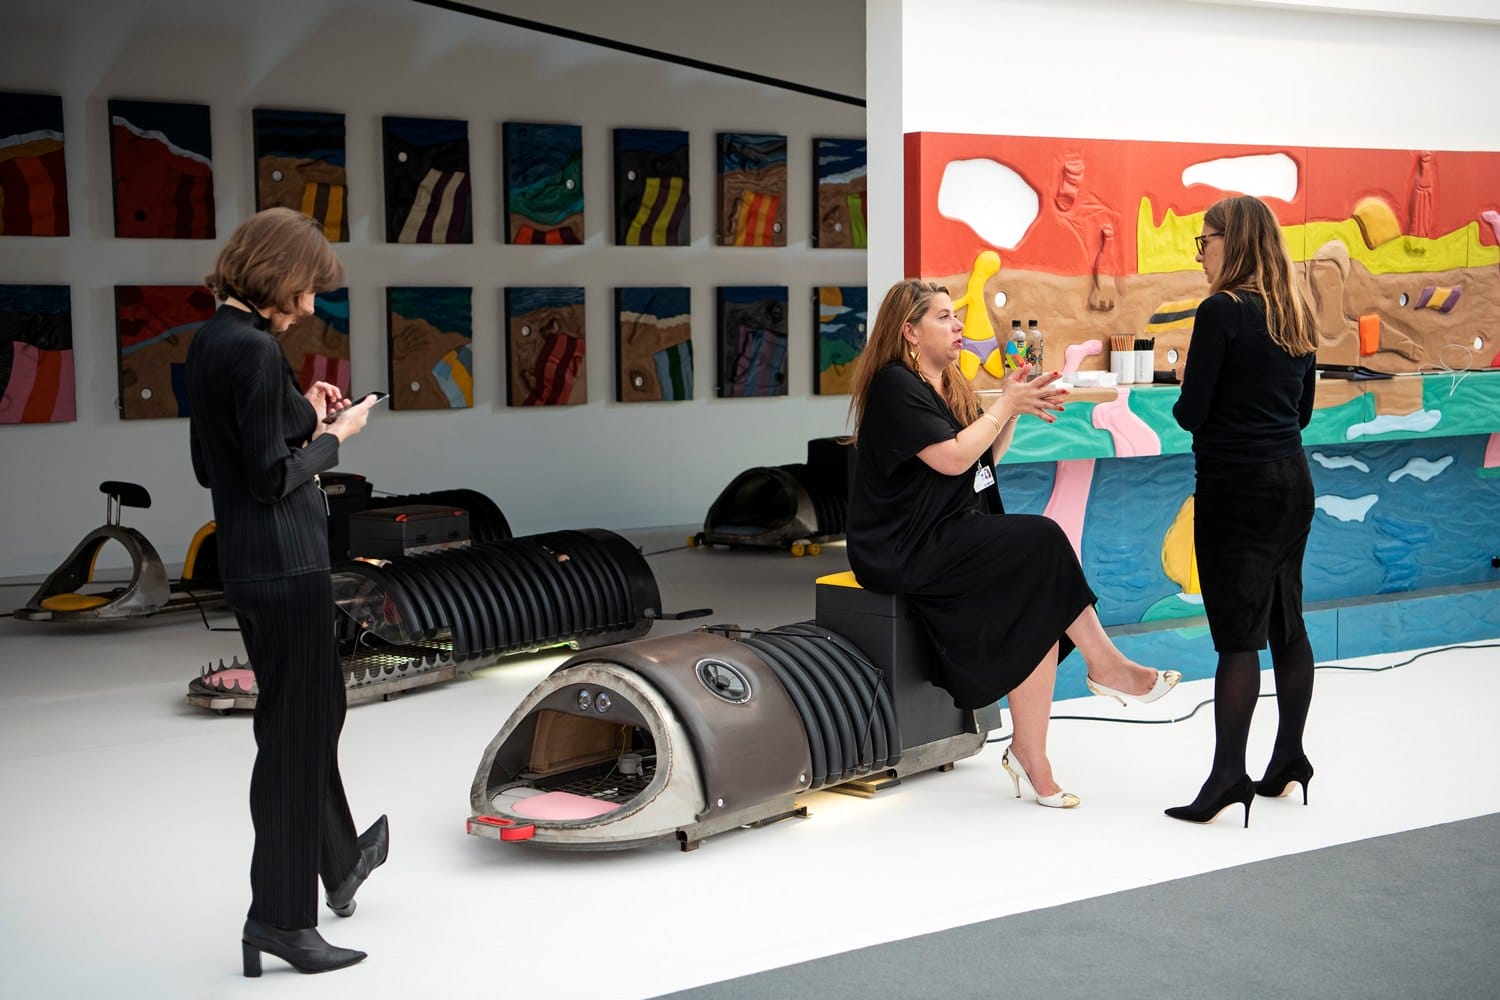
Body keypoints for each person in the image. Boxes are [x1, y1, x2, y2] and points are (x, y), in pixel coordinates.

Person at [846, 279, 1180, 809]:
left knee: (1039, 593)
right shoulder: (894, 385)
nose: (957, 325)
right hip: (903, 546)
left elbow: (979, 464)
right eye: (942, 318)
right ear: (909, 332)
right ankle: (1105, 665)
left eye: (955, 316)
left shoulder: (942, 383)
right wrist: (1005, 404)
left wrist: (1014, 411)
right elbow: (953, 458)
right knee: (1043, 540)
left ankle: (1031, 752)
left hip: (946, 528)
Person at [186, 207, 387, 975]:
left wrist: (309, 410)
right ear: (275, 276)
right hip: (288, 563)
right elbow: (272, 476)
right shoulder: (255, 351)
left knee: (307, 719)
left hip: (253, 562)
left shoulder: (214, 340)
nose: (309, 307)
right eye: (305, 290)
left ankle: (339, 859)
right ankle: (279, 919)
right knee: (294, 739)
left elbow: (220, 463)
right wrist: (341, 439)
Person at [1167, 195, 1319, 827]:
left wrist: (1187, 385)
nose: (1200, 253)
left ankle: (1228, 775)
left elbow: (1190, 414)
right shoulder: (1295, 310)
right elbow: (1303, 412)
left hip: (1236, 491)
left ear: (1233, 242)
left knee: (1236, 640)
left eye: (1205, 240)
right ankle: (1288, 759)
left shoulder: (1219, 312)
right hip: (1292, 483)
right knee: (1287, 624)